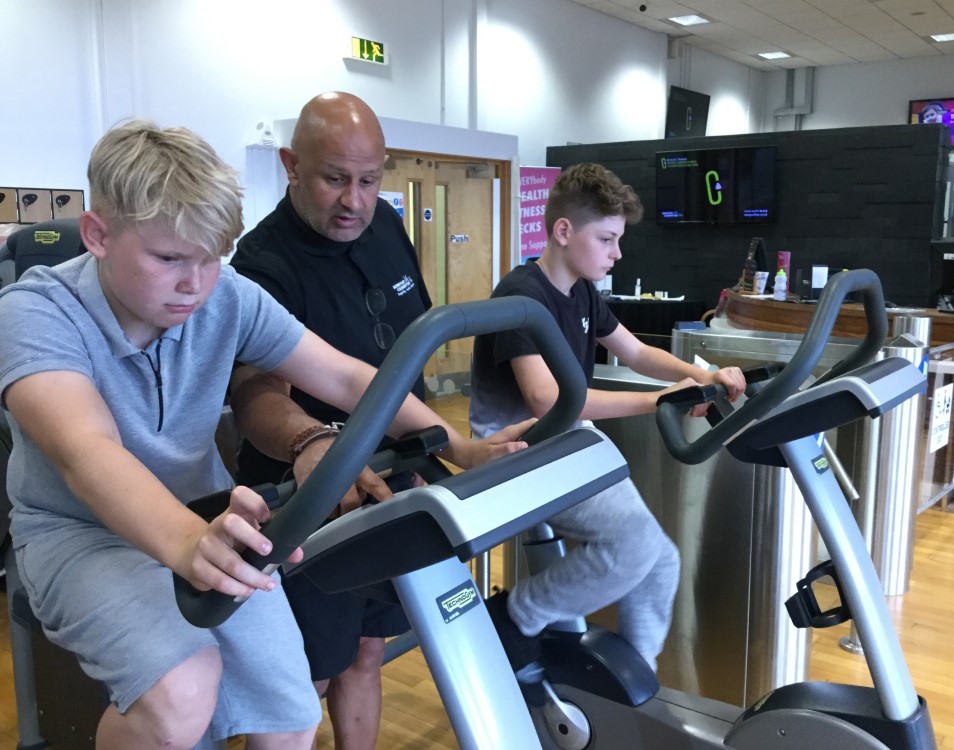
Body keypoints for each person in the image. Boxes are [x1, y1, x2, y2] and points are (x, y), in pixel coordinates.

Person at [0, 120, 528, 750]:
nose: (195, 285)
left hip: (207, 520)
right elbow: (85, 452)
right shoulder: (35, 313)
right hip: (81, 535)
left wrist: (455, 443)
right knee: (182, 693)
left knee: (292, 707)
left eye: (209, 258)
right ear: (97, 235)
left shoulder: (225, 296)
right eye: (169, 259)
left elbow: (346, 376)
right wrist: (187, 541)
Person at [470, 162, 747, 673]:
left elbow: (637, 353)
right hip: (512, 453)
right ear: (563, 231)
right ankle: (515, 616)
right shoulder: (520, 298)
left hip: (563, 443)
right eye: (607, 239)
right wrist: (659, 401)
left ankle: (637, 681)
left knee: (659, 559)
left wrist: (698, 375)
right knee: (634, 545)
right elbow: (545, 401)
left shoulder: (581, 292)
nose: (617, 253)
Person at [227, 91, 430, 749]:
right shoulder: (262, 265)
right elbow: (257, 396)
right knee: (302, 681)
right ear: (290, 164)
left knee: (368, 650)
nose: (354, 200)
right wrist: (311, 443)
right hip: (309, 501)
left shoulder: (387, 226)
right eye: (334, 179)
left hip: (391, 482)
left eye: (369, 180)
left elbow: (407, 351)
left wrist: (429, 452)